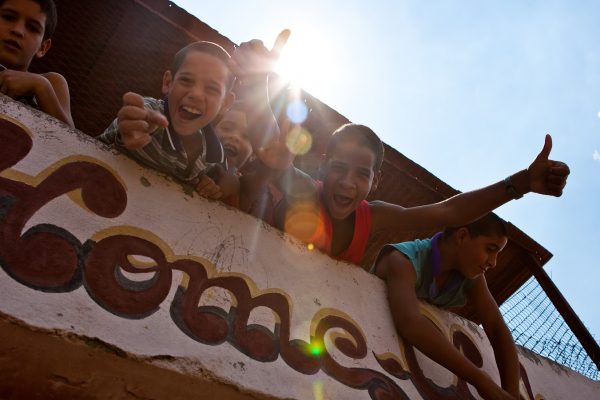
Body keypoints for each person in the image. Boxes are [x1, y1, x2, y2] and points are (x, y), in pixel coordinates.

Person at [275, 123, 569, 266]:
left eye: (362, 174)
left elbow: (448, 212)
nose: (347, 183)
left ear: (375, 181)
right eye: (339, 168)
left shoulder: (371, 216)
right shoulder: (303, 189)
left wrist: (520, 184)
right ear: (323, 167)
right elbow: (274, 158)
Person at [372, 214, 520, 400]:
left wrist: (510, 393)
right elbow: (410, 323)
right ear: (461, 236)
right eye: (490, 249)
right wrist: (482, 380)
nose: (493, 262)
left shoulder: (471, 278)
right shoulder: (402, 260)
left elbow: (497, 329)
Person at [98, 41, 239, 200]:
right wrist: (135, 124)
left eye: (212, 89)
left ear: (225, 103)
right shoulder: (152, 112)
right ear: (168, 82)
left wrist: (208, 185)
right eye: (186, 80)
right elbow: (140, 115)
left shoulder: (214, 154)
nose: (196, 94)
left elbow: (223, 180)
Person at [0, 0, 73, 127]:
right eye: (8, 17)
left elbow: (72, 143)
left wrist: (42, 87)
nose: (18, 30)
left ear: (43, 47)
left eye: (33, 28)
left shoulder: (51, 83)